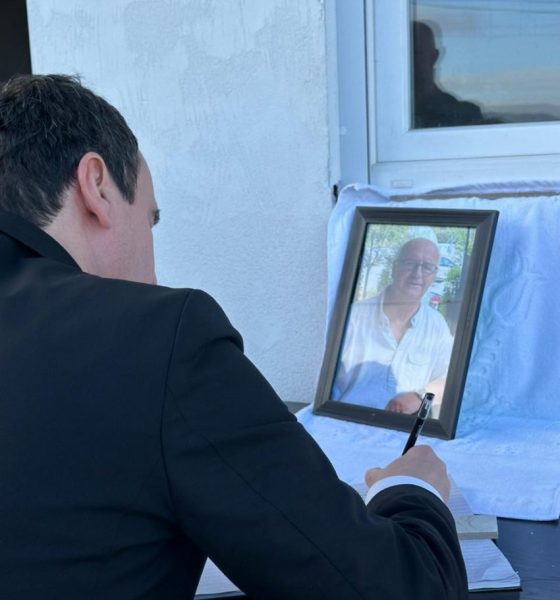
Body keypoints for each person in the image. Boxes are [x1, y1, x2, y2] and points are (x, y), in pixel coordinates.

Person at [0, 74, 467, 599]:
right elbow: (399, 589)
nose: (153, 273)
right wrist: (413, 488)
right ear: (97, 186)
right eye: (150, 221)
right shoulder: (158, 336)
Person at [332, 238, 453, 415]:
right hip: (347, 420)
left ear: (434, 275)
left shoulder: (437, 326)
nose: (417, 273)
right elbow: (328, 383)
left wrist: (420, 396)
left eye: (427, 267)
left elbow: (448, 379)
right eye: (410, 263)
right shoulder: (352, 317)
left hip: (404, 426)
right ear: (394, 268)